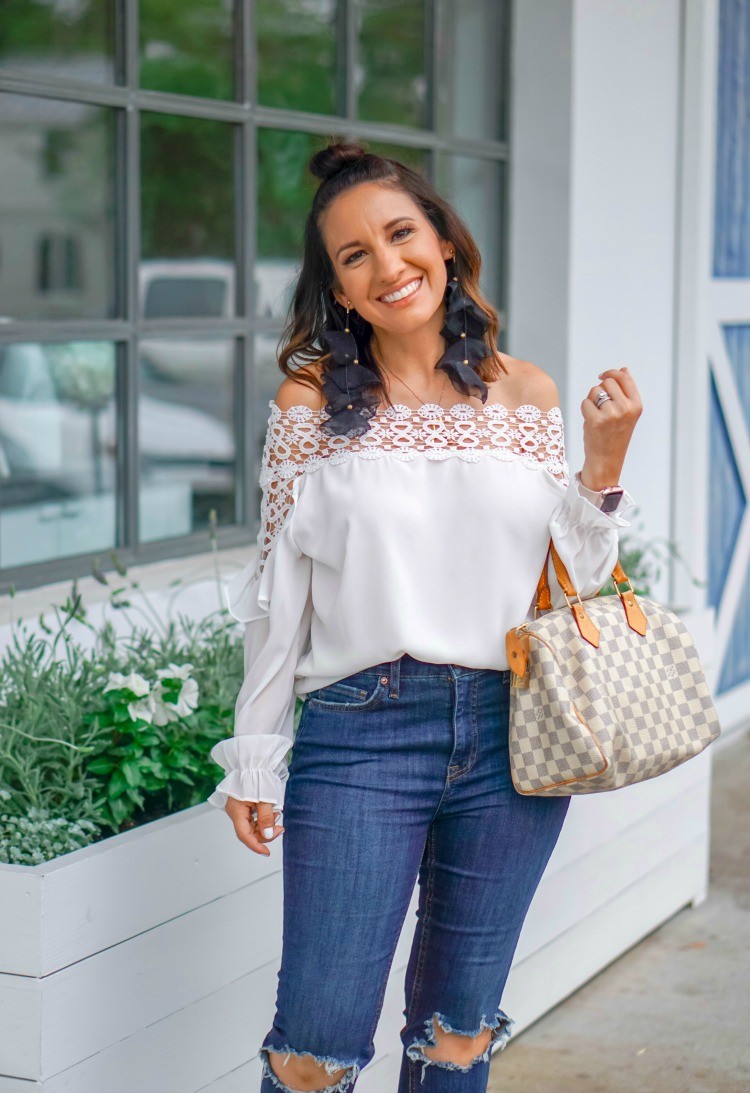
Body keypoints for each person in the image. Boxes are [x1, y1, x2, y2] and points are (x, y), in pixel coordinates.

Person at [207, 140, 642, 1093]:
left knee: (456, 1035)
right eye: (354, 255)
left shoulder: (527, 393)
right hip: (364, 730)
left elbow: (563, 578)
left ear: (444, 242)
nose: (387, 264)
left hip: (512, 738)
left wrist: (600, 466)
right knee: (314, 1050)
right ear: (341, 290)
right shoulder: (308, 405)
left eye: (401, 234)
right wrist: (256, 746)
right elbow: (282, 597)